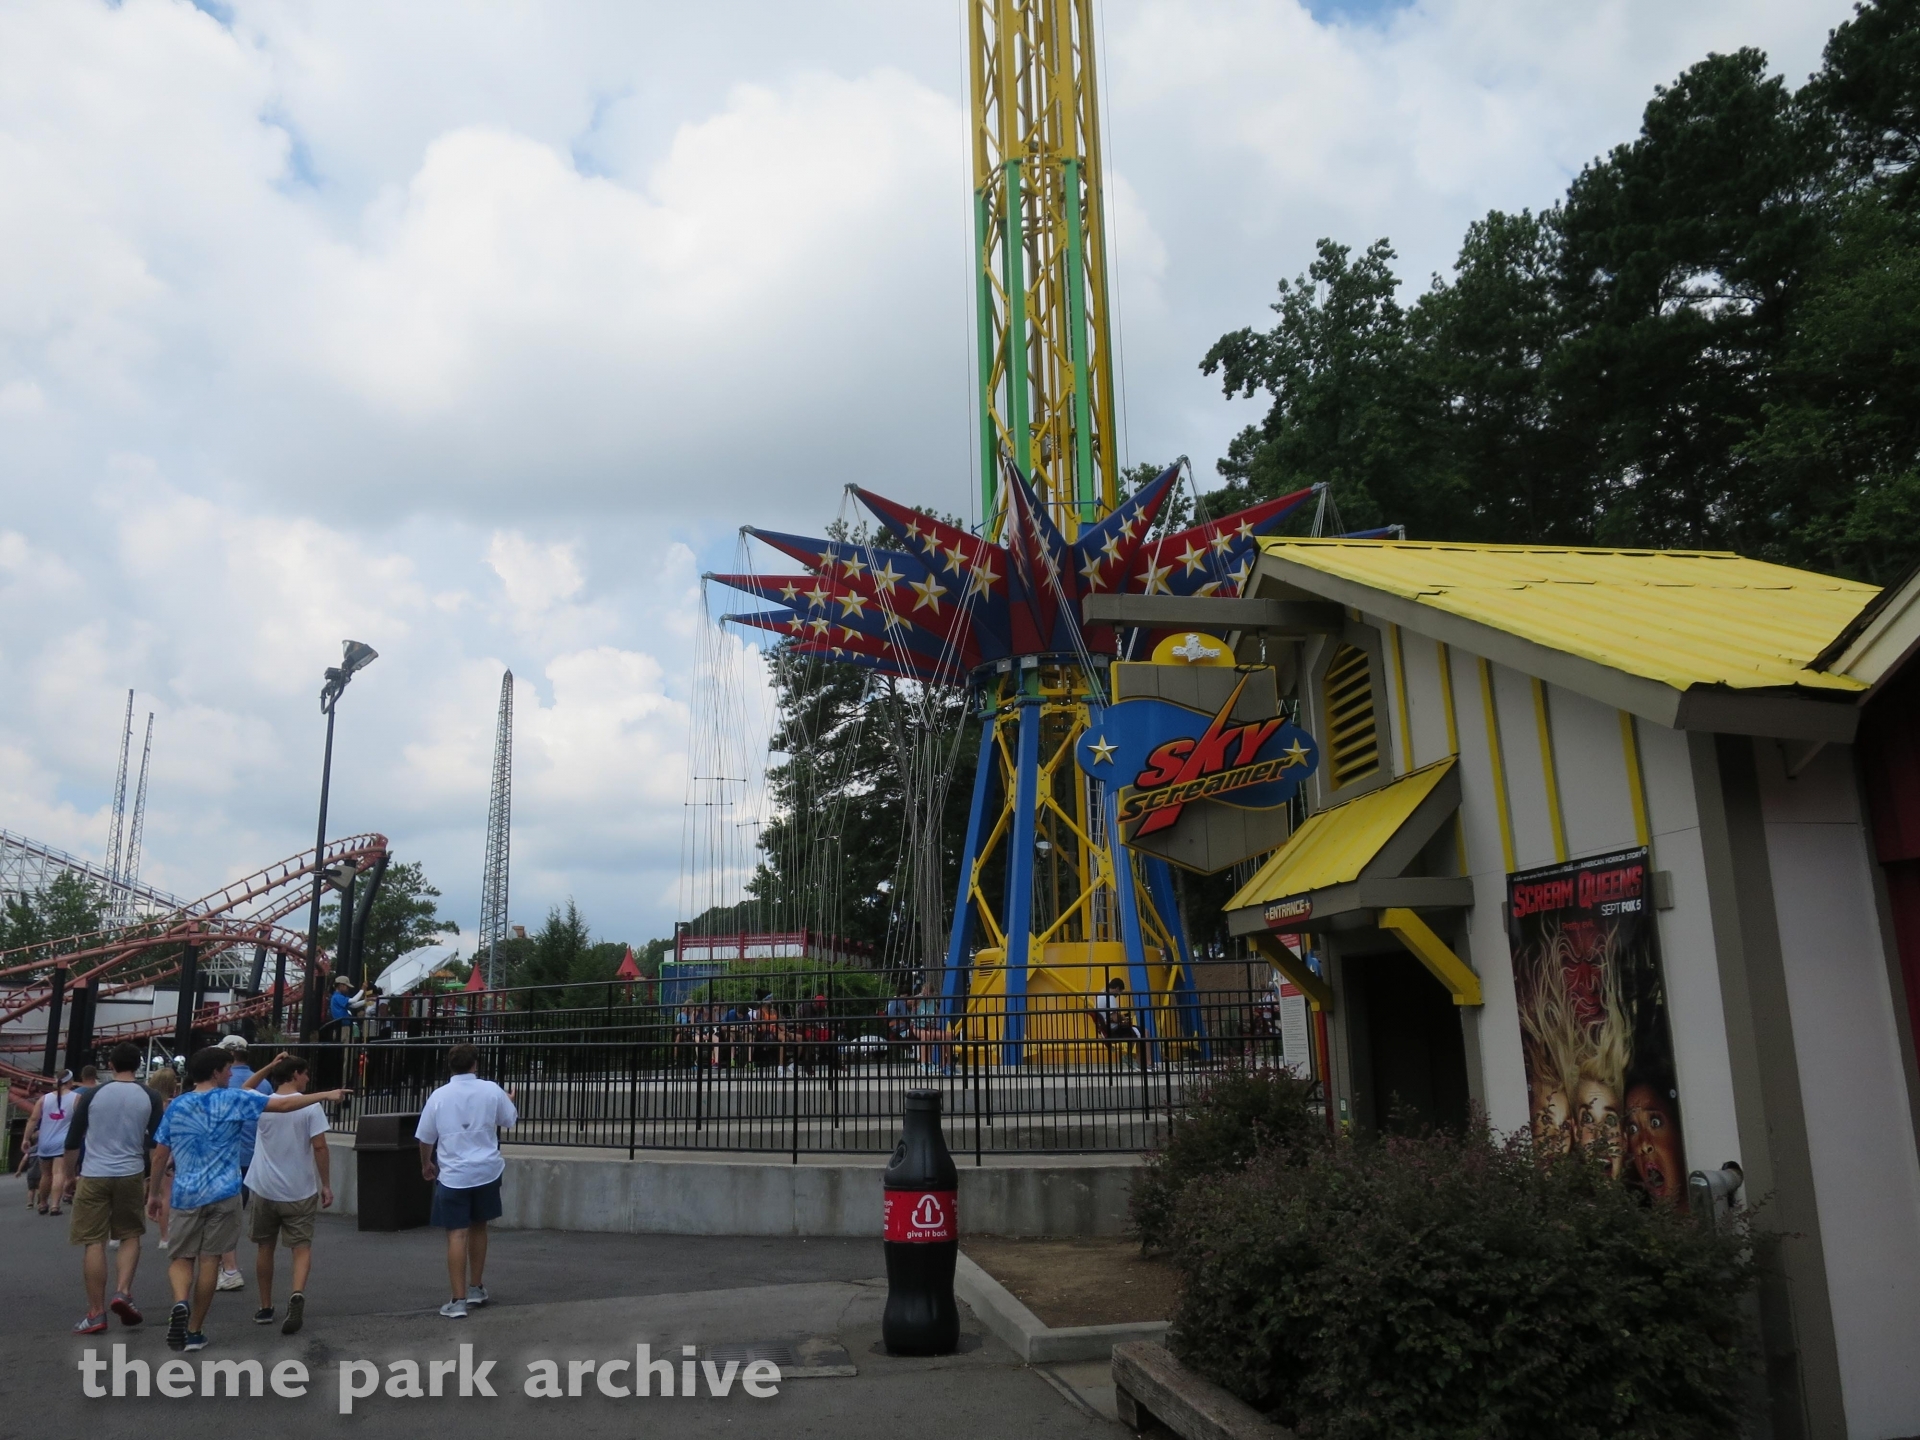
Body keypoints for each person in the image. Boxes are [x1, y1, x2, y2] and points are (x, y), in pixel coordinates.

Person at [145, 1045, 349, 1353]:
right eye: (227, 1068)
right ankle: (195, 1328)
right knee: (211, 1259)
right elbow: (283, 1106)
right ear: (215, 1072)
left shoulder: (177, 1105)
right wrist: (325, 1095)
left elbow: (161, 1154)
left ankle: (180, 1303)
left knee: (181, 1257)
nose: (231, 1073)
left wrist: (155, 1192)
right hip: (225, 1192)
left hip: (187, 1193)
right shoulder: (233, 1100)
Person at [63, 1043, 163, 1334]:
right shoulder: (150, 1096)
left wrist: (70, 1176)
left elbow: (72, 1140)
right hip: (131, 1172)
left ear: (111, 1063)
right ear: (139, 1063)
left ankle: (96, 1312)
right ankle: (123, 1291)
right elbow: (158, 1143)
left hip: (94, 1173)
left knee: (93, 1240)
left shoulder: (93, 1094)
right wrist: (153, 1184)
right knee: (130, 1234)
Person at [416, 1043, 517, 1320]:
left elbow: (426, 1137)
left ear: (451, 1065)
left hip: (454, 1173)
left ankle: (457, 1299)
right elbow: (509, 1119)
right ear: (475, 1064)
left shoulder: (439, 1096)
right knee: (479, 1227)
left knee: (456, 1233)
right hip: (486, 1169)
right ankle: (476, 1287)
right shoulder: (491, 1089)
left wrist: (427, 1163)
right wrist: (507, 1099)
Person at [246, 1055, 332, 1334]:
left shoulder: (261, 1102)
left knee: (265, 1247)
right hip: (299, 1188)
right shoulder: (310, 1107)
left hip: (264, 1186)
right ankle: (296, 1293)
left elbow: (245, 1087)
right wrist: (326, 1184)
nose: (308, 1079)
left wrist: (269, 1065)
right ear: (295, 1074)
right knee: (301, 1247)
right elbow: (319, 1147)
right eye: (305, 1074)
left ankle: (265, 1305)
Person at [19, 1072, 79, 1215]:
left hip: (45, 1141)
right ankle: (55, 1205)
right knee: (59, 1173)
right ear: (70, 1081)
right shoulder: (76, 1098)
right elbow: (80, 1119)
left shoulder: (43, 1099)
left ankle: (42, 1203)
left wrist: (26, 1138)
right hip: (63, 1141)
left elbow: (33, 1119)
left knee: (45, 1175)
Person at [145, 1067, 179, 1249]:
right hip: (164, 1148)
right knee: (166, 1193)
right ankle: (165, 1236)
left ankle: (118, 1234)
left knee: (146, 1188)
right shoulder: (170, 1106)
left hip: (144, 1146)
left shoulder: (147, 1102)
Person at [1089, 978, 1145, 1068]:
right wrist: (1123, 1017)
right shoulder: (1110, 997)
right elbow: (1115, 1019)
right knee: (1144, 1032)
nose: (1119, 994)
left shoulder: (1099, 996)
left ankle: (1130, 1057)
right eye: (1120, 992)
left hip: (1106, 1029)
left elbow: (1106, 1017)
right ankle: (1144, 1063)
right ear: (1117, 988)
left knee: (1134, 1031)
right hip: (1114, 1030)